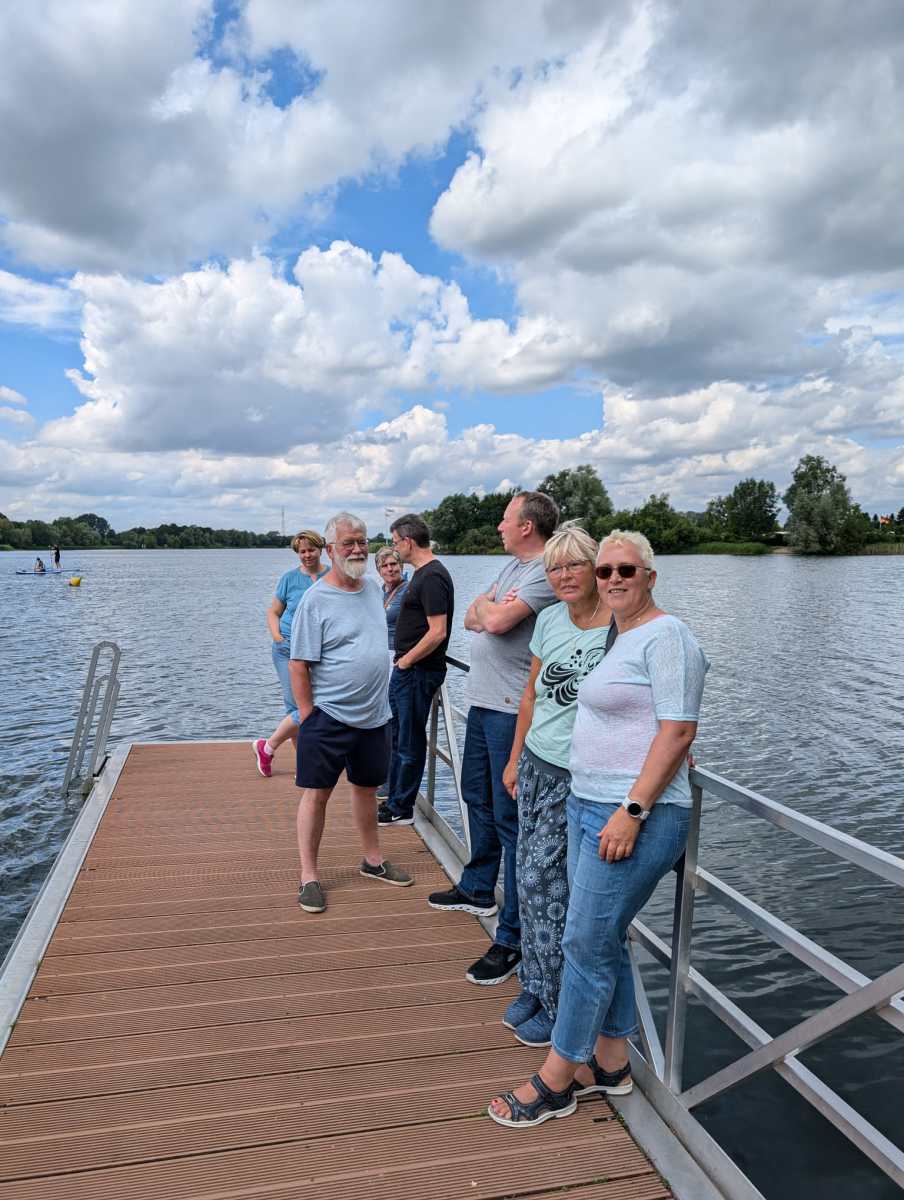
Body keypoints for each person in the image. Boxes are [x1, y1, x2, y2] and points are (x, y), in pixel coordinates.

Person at [487, 530, 709, 1128]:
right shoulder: (620, 635)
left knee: (583, 942)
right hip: (585, 803)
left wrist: (633, 810)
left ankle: (558, 1078)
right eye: (606, 570)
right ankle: (611, 1063)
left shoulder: (668, 636)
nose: (613, 579)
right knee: (600, 939)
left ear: (650, 577)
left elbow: (678, 730)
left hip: (633, 815)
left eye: (624, 571)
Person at [428, 491, 559, 985]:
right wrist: (488, 607)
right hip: (484, 704)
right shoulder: (512, 569)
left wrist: (491, 610)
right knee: (474, 796)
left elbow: (497, 621)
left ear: (527, 526)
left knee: (511, 819)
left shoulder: (543, 571)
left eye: (506, 519)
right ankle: (479, 887)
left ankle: (512, 937)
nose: (499, 526)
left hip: (510, 710)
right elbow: (470, 617)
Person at [499, 525, 614, 1048]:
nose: (564, 575)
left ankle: (558, 1003)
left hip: (581, 777)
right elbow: (531, 695)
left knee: (554, 890)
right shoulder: (549, 619)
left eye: (574, 565)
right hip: (537, 766)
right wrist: (515, 758)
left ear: (595, 567)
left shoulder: (620, 627)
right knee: (529, 883)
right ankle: (536, 981)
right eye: (554, 567)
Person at [289, 512, 413, 914]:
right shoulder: (316, 600)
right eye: (348, 543)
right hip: (329, 716)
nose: (358, 549)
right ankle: (309, 875)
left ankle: (372, 861)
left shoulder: (373, 588)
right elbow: (298, 663)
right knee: (317, 794)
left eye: (362, 541)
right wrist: (307, 714)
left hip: (375, 716)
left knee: (367, 788)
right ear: (331, 550)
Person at [377, 513, 454, 826]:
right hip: (407, 671)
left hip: (417, 671)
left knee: (409, 740)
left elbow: (438, 631)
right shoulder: (422, 574)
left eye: (396, 542)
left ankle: (402, 807)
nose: (395, 549)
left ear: (408, 541)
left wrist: (407, 661)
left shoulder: (432, 576)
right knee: (399, 737)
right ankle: (395, 799)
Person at [252, 530, 327, 777]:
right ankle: (304, 765)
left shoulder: (331, 576)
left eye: (311, 550)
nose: (307, 555)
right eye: (302, 551)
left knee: (314, 705)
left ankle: (267, 747)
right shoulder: (289, 579)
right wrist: (277, 636)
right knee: (297, 707)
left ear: (320, 549)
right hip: (287, 650)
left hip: (318, 652)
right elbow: (273, 612)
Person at [374, 545, 410, 802]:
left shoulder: (409, 590)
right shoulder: (380, 592)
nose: (390, 569)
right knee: (381, 719)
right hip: (380, 659)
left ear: (401, 566)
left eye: (394, 564)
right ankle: (382, 775)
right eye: (384, 565)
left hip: (398, 658)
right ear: (378, 570)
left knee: (393, 722)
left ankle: (391, 783)